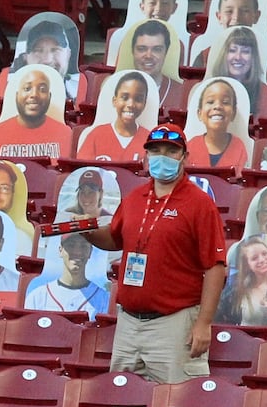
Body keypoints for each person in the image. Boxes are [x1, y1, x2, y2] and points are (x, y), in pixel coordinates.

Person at [82, 125, 226, 383]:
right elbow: (115, 238)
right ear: (146, 156)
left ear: (185, 156)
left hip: (174, 322)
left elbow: (215, 266)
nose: (163, 157)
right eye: (156, 151)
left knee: (176, 405)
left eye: (172, 151)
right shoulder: (135, 197)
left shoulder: (199, 203)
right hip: (128, 322)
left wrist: (204, 323)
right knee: (121, 400)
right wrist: (87, 231)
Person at [216, 235, 267, 328]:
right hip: (241, 339)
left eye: (265, 254)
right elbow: (218, 314)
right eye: (254, 258)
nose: (261, 260)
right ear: (247, 264)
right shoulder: (236, 288)